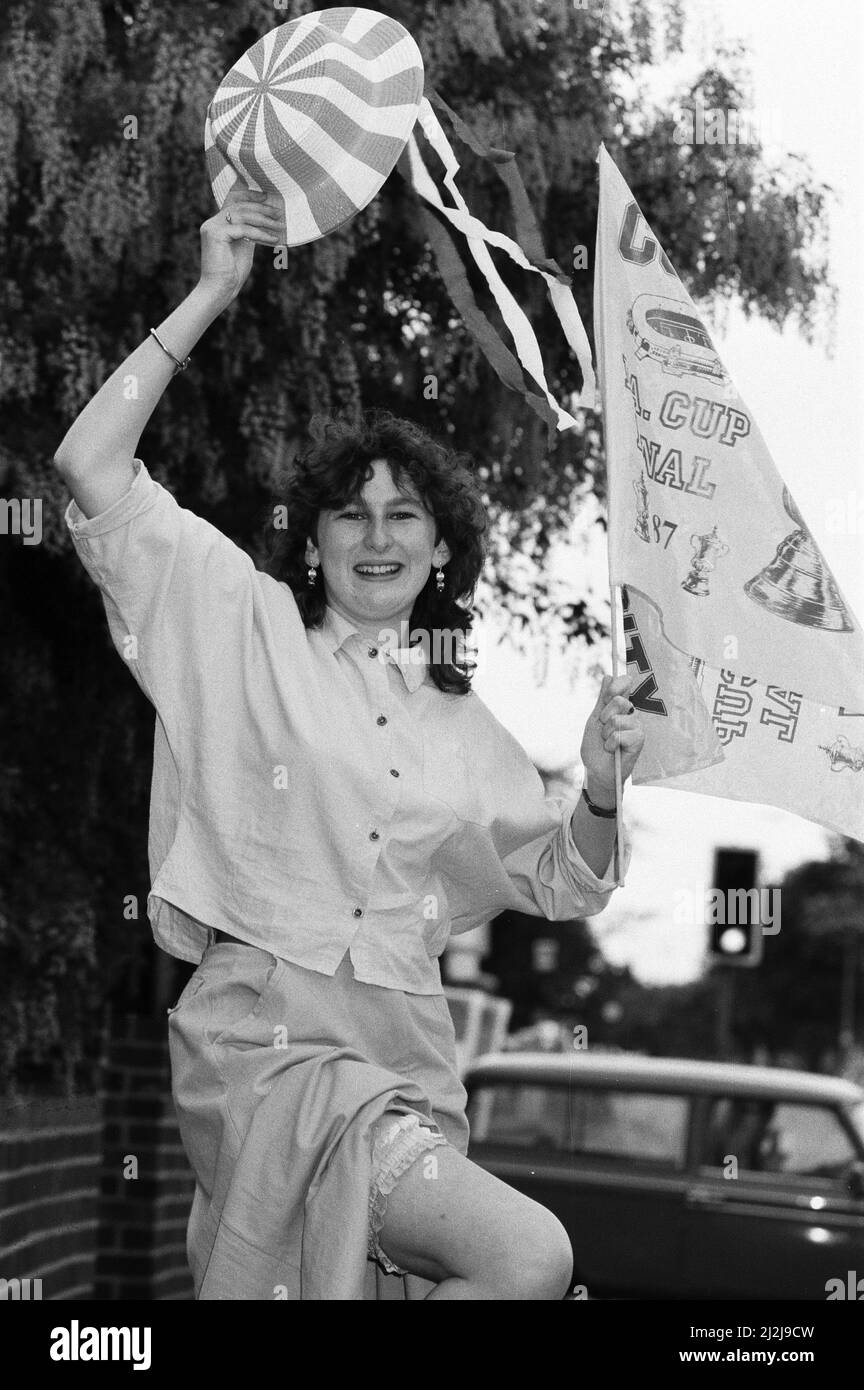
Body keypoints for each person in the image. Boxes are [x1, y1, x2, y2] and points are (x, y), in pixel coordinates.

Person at [54, 185, 645, 1300]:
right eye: (352, 513)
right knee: (532, 1258)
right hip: (269, 1057)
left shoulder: (465, 727)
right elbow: (90, 468)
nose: (378, 534)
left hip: (411, 1069)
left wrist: (605, 790)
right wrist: (211, 291)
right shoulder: (238, 623)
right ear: (314, 544)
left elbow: (566, 880)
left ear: (440, 552)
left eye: (406, 513)